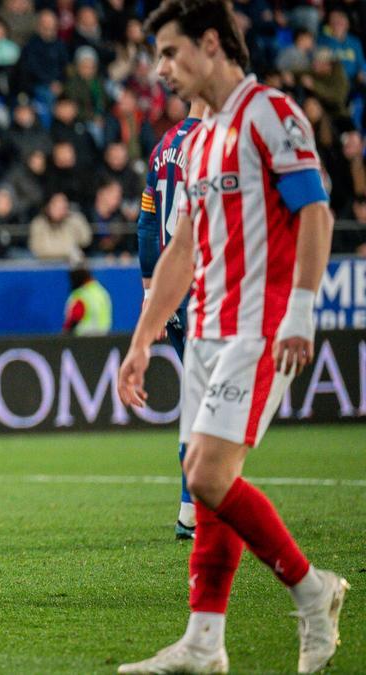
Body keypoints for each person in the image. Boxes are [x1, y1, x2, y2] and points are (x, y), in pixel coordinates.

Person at [117, 0, 347, 672]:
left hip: (259, 326)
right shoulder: (198, 140)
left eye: (169, 52)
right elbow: (182, 247)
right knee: (210, 484)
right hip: (206, 328)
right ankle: (204, 641)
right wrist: (142, 338)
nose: (161, 69)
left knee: (206, 474)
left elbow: (316, 213)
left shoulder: (270, 114)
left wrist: (301, 311)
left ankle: (313, 591)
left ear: (212, 43)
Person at [137, 96, 205, 540]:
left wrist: (151, 295)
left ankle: (190, 509)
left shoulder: (163, 146)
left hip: (172, 292)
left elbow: (147, 224)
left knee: (199, 396)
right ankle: (198, 508)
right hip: (203, 287)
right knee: (212, 402)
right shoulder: (213, 142)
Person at [62, 265, 111, 335]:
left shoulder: (80, 295)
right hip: (104, 337)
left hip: (83, 338)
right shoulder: (102, 292)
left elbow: (74, 319)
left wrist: (65, 333)